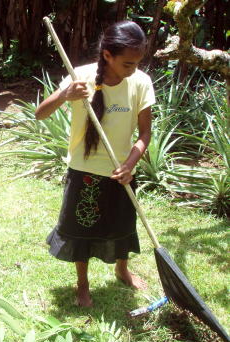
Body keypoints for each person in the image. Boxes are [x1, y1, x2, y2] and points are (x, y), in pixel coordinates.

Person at [35, 21, 155, 307]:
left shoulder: (140, 82)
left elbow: (145, 133)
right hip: (84, 171)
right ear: (107, 55)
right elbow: (40, 113)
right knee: (82, 231)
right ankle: (82, 285)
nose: (133, 69)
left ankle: (122, 269)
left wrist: (130, 163)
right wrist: (65, 95)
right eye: (127, 64)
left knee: (123, 224)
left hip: (121, 172)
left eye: (137, 63)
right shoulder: (82, 77)